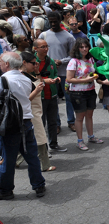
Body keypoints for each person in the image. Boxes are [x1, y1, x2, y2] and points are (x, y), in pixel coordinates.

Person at [0, 52, 46, 199]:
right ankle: (39, 186)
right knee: (32, 156)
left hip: (10, 125)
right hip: (26, 121)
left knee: (9, 158)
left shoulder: (3, 79)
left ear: (7, 64)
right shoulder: (26, 79)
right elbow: (26, 98)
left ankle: (6, 190)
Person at [18, 51, 55, 172]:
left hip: (35, 110)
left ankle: (15, 160)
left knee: (30, 138)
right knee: (40, 137)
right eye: (33, 63)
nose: (35, 65)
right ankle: (45, 164)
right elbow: (25, 99)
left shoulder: (28, 74)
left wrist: (38, 72)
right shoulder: (21, 77)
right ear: (24, 63)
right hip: (30, 111)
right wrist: (37, 90)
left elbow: (37, 81)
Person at [39, 12, 76, 132]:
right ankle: (56, 123)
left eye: (55, 21)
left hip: (65, 73)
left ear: (61, 20)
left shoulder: (68, 37)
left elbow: (73, 56)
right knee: (52, 99)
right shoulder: (43, 35)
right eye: (51, 21)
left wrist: (61, 61)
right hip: (49, 74)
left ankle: (71, 121)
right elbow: (38, 53)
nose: (53, 23)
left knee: (69, 98)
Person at [66, 38, 102, 151]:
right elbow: (69, 79)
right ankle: (80, 141)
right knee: (80, 117)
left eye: (86, 46)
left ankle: (91, 137)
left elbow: (93, 72)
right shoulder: (73, 61)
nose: (84, 49)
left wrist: (94, 77)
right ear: (77, 48)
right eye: (81, 47)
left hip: (90, 90)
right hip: (77, 93)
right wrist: (86, 79)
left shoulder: (90, 59)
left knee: (89, 116)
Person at [33, 39, 66, 152]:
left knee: (53, 122)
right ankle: (42, 149)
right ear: (35, 48)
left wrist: (56, 79)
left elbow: (55, 73)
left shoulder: (50, 61)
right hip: (38, 97)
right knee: (40, 124)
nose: (46, 49)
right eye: (42, 47)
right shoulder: (32, 62)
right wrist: (45, 81)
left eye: (47, 46)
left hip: (52, 95)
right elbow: (30, 78)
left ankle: (54, 144)